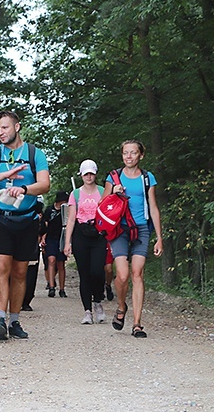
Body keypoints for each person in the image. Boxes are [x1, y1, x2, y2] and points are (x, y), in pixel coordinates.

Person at [0, 110, 50, 341]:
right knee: (1, 268)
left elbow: (44, 184)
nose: (1, 133)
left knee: (20, 272)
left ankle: (14, 320)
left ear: (17, 127)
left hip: (27, 220)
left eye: (5, 128)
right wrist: (5, 174)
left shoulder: (35, 154)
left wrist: (24, 189)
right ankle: (0, 319)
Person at [103, 140, 163, 338]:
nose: (129, 156)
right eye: (125, 153)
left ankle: (137, 324)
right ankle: (121, 307)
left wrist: (159, 237)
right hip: (119, 229)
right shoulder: (114, 177)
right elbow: (103, 205)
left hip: (141, 229)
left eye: (133, 153)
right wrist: (113, 192)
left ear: (141, 155)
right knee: (122, 275)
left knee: (137, 274)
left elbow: (153, 208)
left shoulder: (147, 178)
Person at [63, 159, 108, 324]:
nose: (89, 177)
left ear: (95, 174)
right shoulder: (75, 194)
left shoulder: (104, 191)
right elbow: (71, 219)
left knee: (97, 271)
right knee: (84, 274)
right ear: (81, 175)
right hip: (81, 234)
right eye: (86, 174)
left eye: (91, 173)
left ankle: (98, 301)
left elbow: (109, 214)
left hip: (98, 234)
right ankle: (87, 311)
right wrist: (67, 243)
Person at [42, 191, 69, 298]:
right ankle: (52, 286)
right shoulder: (49, 210)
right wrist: (43, 238)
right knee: (51, 260)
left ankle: (62, 289)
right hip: (51, 238)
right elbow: (45, 225)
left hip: (62, 238)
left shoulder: (66, 210)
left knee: (61, 263)